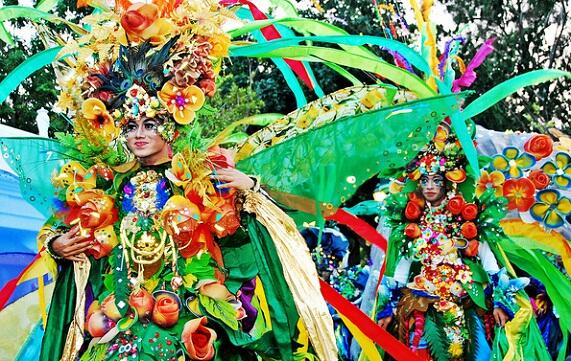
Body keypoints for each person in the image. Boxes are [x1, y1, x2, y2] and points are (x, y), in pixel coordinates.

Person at [35, 1, 337, 360]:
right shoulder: (107, 182)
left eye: (151, 123)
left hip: (188, 320)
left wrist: (252, 190)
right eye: (130, 126)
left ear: (174, 119)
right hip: (118, 322)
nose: (139, 135)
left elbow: (267, 224)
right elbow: (59, 228)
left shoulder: (201, 176)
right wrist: (56, 246)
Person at [375, 123, 541, 360]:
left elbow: (487, 258)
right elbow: (403, 265)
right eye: (424, 181)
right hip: (424, 300)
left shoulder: (465, 216)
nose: (430, 186)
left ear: (449, 181)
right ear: (418, 184)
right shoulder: (412, 223)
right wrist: (388, 306)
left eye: (436, 180)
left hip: (467, 297)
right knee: (420, 349)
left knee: (480, 351)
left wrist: (499, 302)